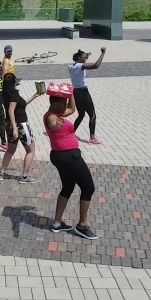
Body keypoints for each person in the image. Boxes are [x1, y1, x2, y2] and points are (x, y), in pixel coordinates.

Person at [44, 87, 97, 240]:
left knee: (68, 187)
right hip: (69, 157)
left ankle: (57, 223)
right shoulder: (51, 117)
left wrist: (70, 93)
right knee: (88, 187)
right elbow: (53, 124)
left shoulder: (57, 113)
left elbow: (73, 109)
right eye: (63, 103)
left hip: (60, 156)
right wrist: (56, 125)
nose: (65, 105)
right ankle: (82, 225)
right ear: (55, 104)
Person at [0, 73, 41, 184]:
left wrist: (35, 95)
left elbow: (22, 104)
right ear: (14, 82)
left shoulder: (5, 92)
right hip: (20, 125)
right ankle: (24, 177)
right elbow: (11, 111)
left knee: (10, 150)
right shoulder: (14, 93)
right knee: (30, 150)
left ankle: (1, 173)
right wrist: (15, 128)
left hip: (9, 125)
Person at [68, 47, 106, 145]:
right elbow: (95, 66)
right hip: (84, 93)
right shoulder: (80, 66)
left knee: (81, 114)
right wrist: (103, 53)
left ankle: (71, 133)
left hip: (75, 92)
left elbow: (80, 62)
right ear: (79, 58)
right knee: (92, 115)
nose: (85, 59)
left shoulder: (71, 66)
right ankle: (92, 138)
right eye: (84, 58)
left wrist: (87, 55)